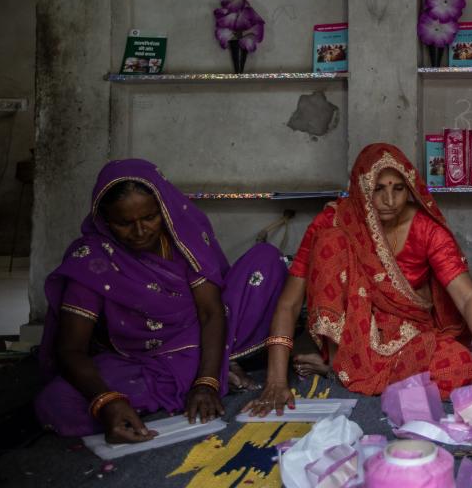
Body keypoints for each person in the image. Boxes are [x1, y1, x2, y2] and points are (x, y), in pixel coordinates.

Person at [244, 143, 472, 416]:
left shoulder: (426, 230)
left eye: (398, 188)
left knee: (459, 366)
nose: (389, 199)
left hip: (407, 332)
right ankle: (343, 362)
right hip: (350, 335)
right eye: (378, 188)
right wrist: (276, 381)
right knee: (332, 241)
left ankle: (344, 372)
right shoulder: (334, 221)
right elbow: (289, 303)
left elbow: (468, 296)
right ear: (362, 187)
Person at [36, 159, 286, 443]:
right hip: (144, 358)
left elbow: (211, 314)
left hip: (209, 331)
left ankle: (210, 368)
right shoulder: (92, 260)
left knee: (266, 259)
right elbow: (70, 349)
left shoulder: (182, 238)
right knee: (55, 401)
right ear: (104, 219)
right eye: (124, 223)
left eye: (150, 218)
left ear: (164, 208)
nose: (141, 231)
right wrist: (107, 401)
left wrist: (206, 383)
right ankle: (219, 366)